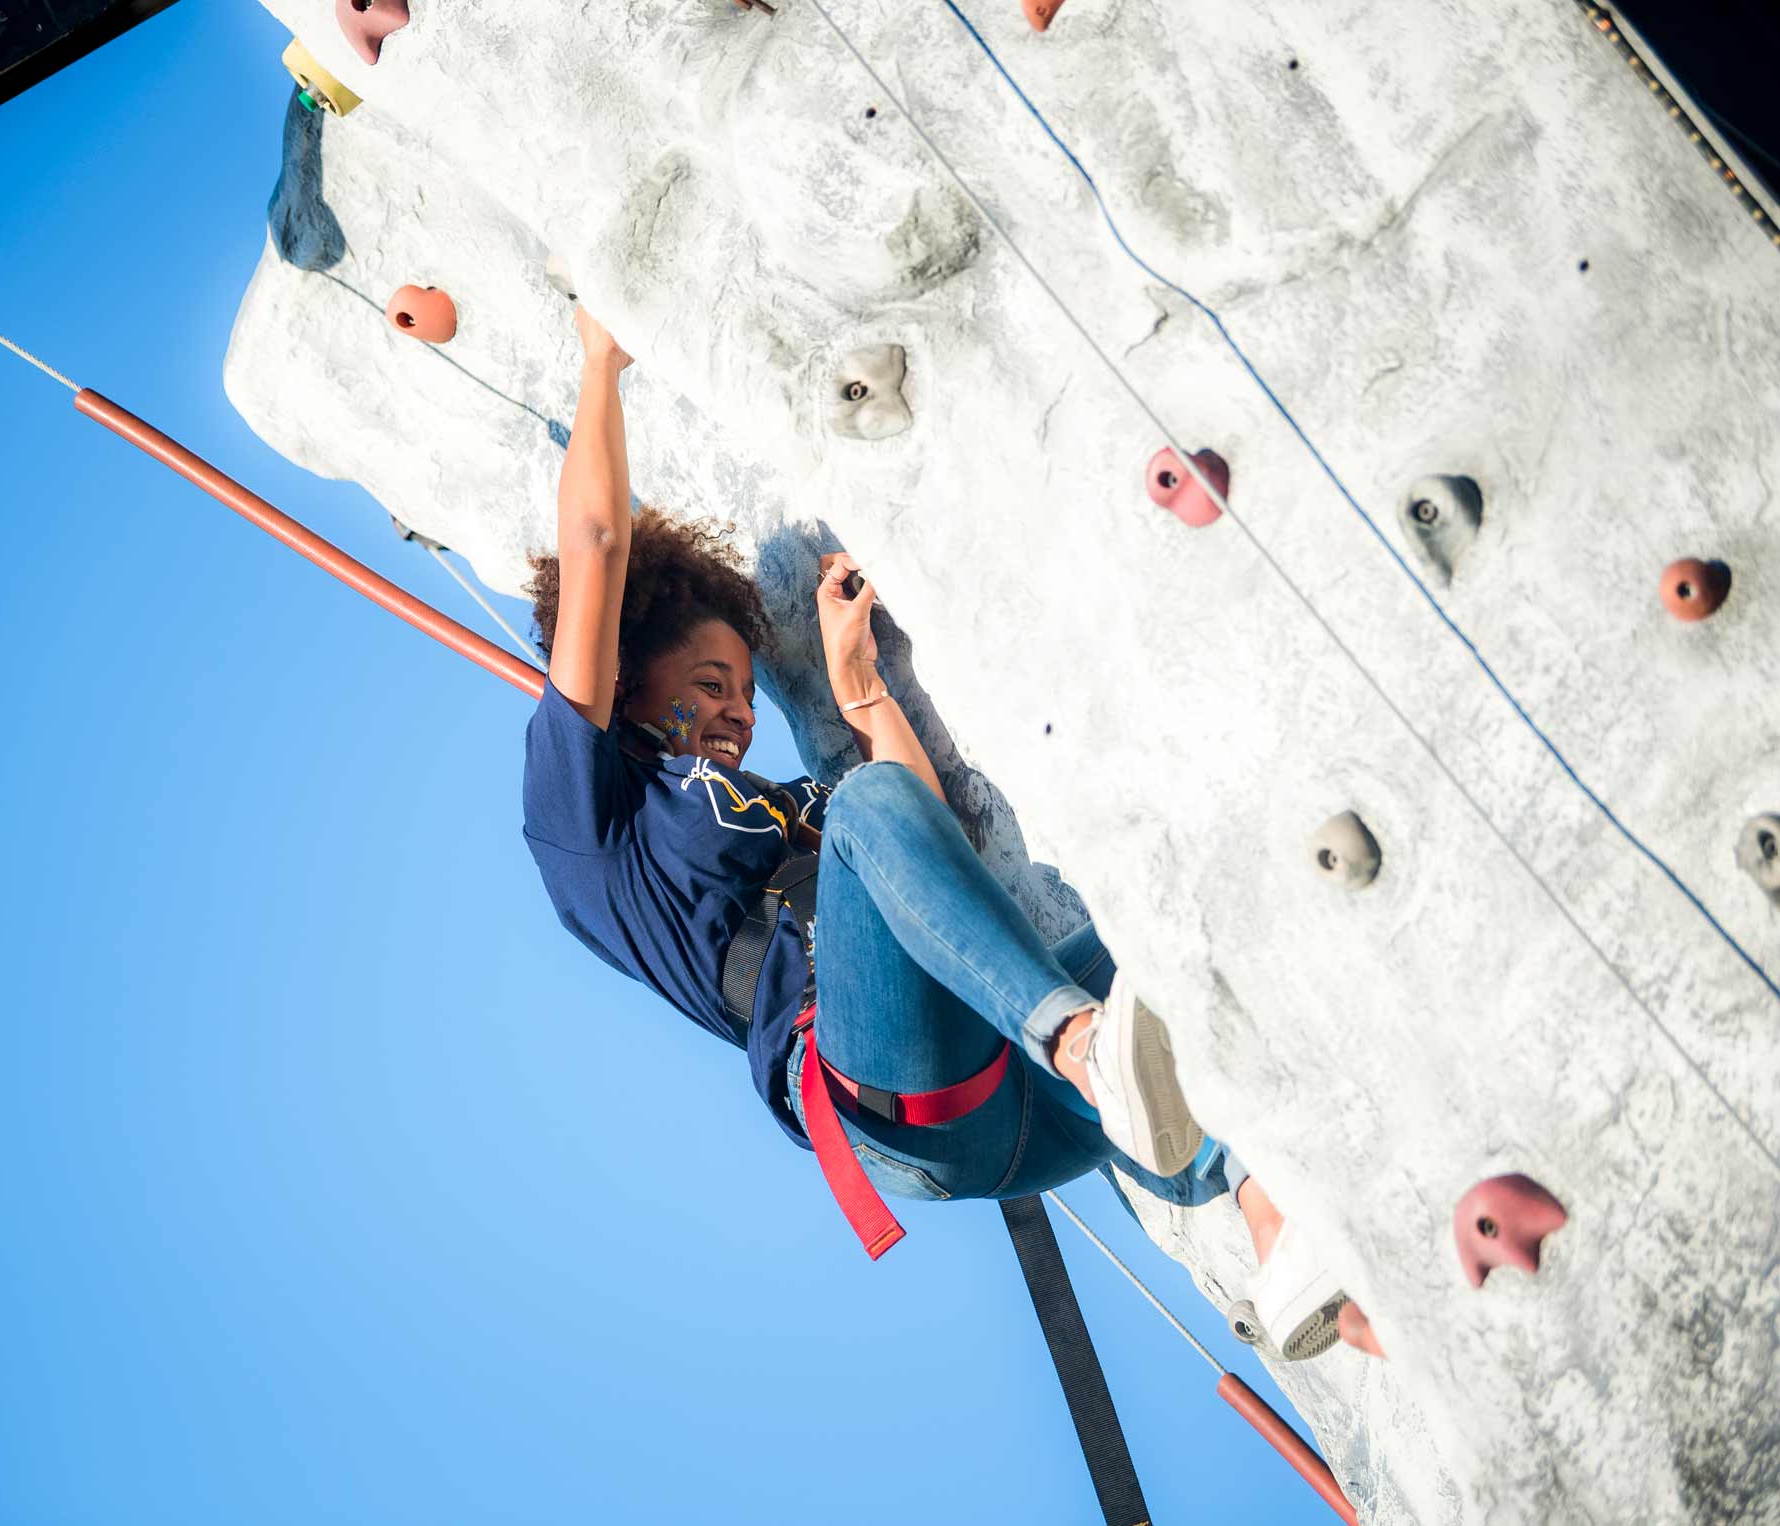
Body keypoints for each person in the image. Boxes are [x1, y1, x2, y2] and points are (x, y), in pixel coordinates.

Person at [522, 308, 1351, 1361]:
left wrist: (859, 687)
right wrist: (601, 361)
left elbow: (935, 847)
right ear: (630, 678)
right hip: (893, 1098)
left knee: (1146, 947)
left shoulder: (783, 810)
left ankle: (1271, 1221)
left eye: (744, 691)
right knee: (871, 809)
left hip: (1011, 1104)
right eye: (711, 683)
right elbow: (596, 549)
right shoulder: (593, 821)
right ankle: (1085, 1047)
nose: (735, 713)